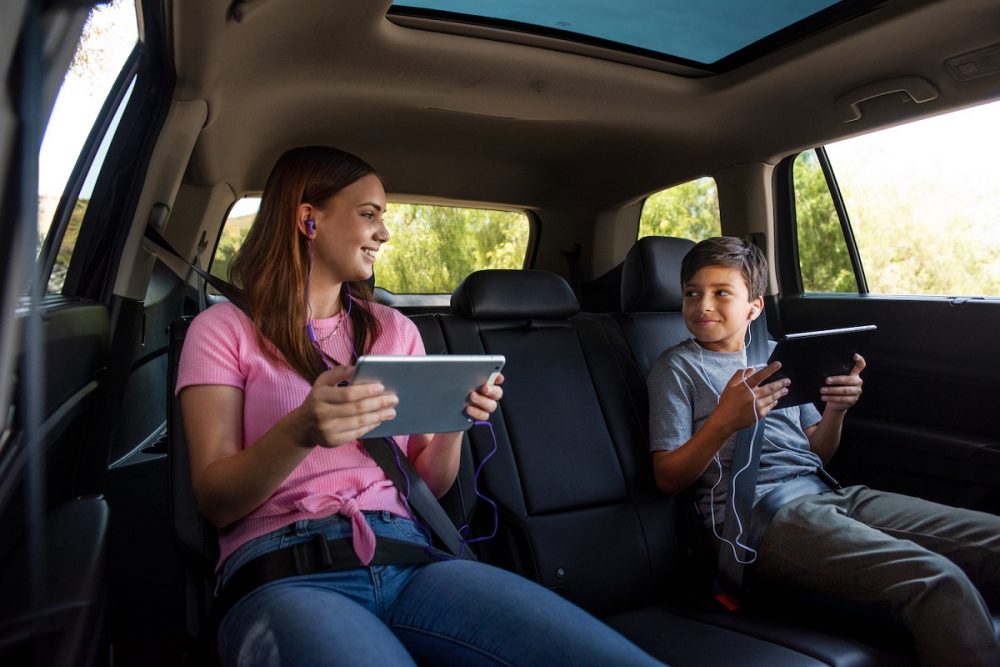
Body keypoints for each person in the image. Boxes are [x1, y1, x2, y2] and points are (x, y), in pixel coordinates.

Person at [177, 146, 663, 667]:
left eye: (382, 218)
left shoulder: (393, 330)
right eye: (369, 215)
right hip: (286, 571)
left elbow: (425, 485)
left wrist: (456, 420)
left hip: (410, 558)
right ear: (308, 218)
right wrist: (300, 431)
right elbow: (216, 499)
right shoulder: (223, 330)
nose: (383, 233)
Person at [647, 236, 1000, 667]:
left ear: (754, 307)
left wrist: (836, 410)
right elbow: (667, 477)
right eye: (692, 293)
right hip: (759, 520)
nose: (703, 305)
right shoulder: (675, 368)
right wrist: (724, 420)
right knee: (936, 580)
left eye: (722, 293)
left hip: (827, 493)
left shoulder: (776, 357)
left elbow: (817, 453)